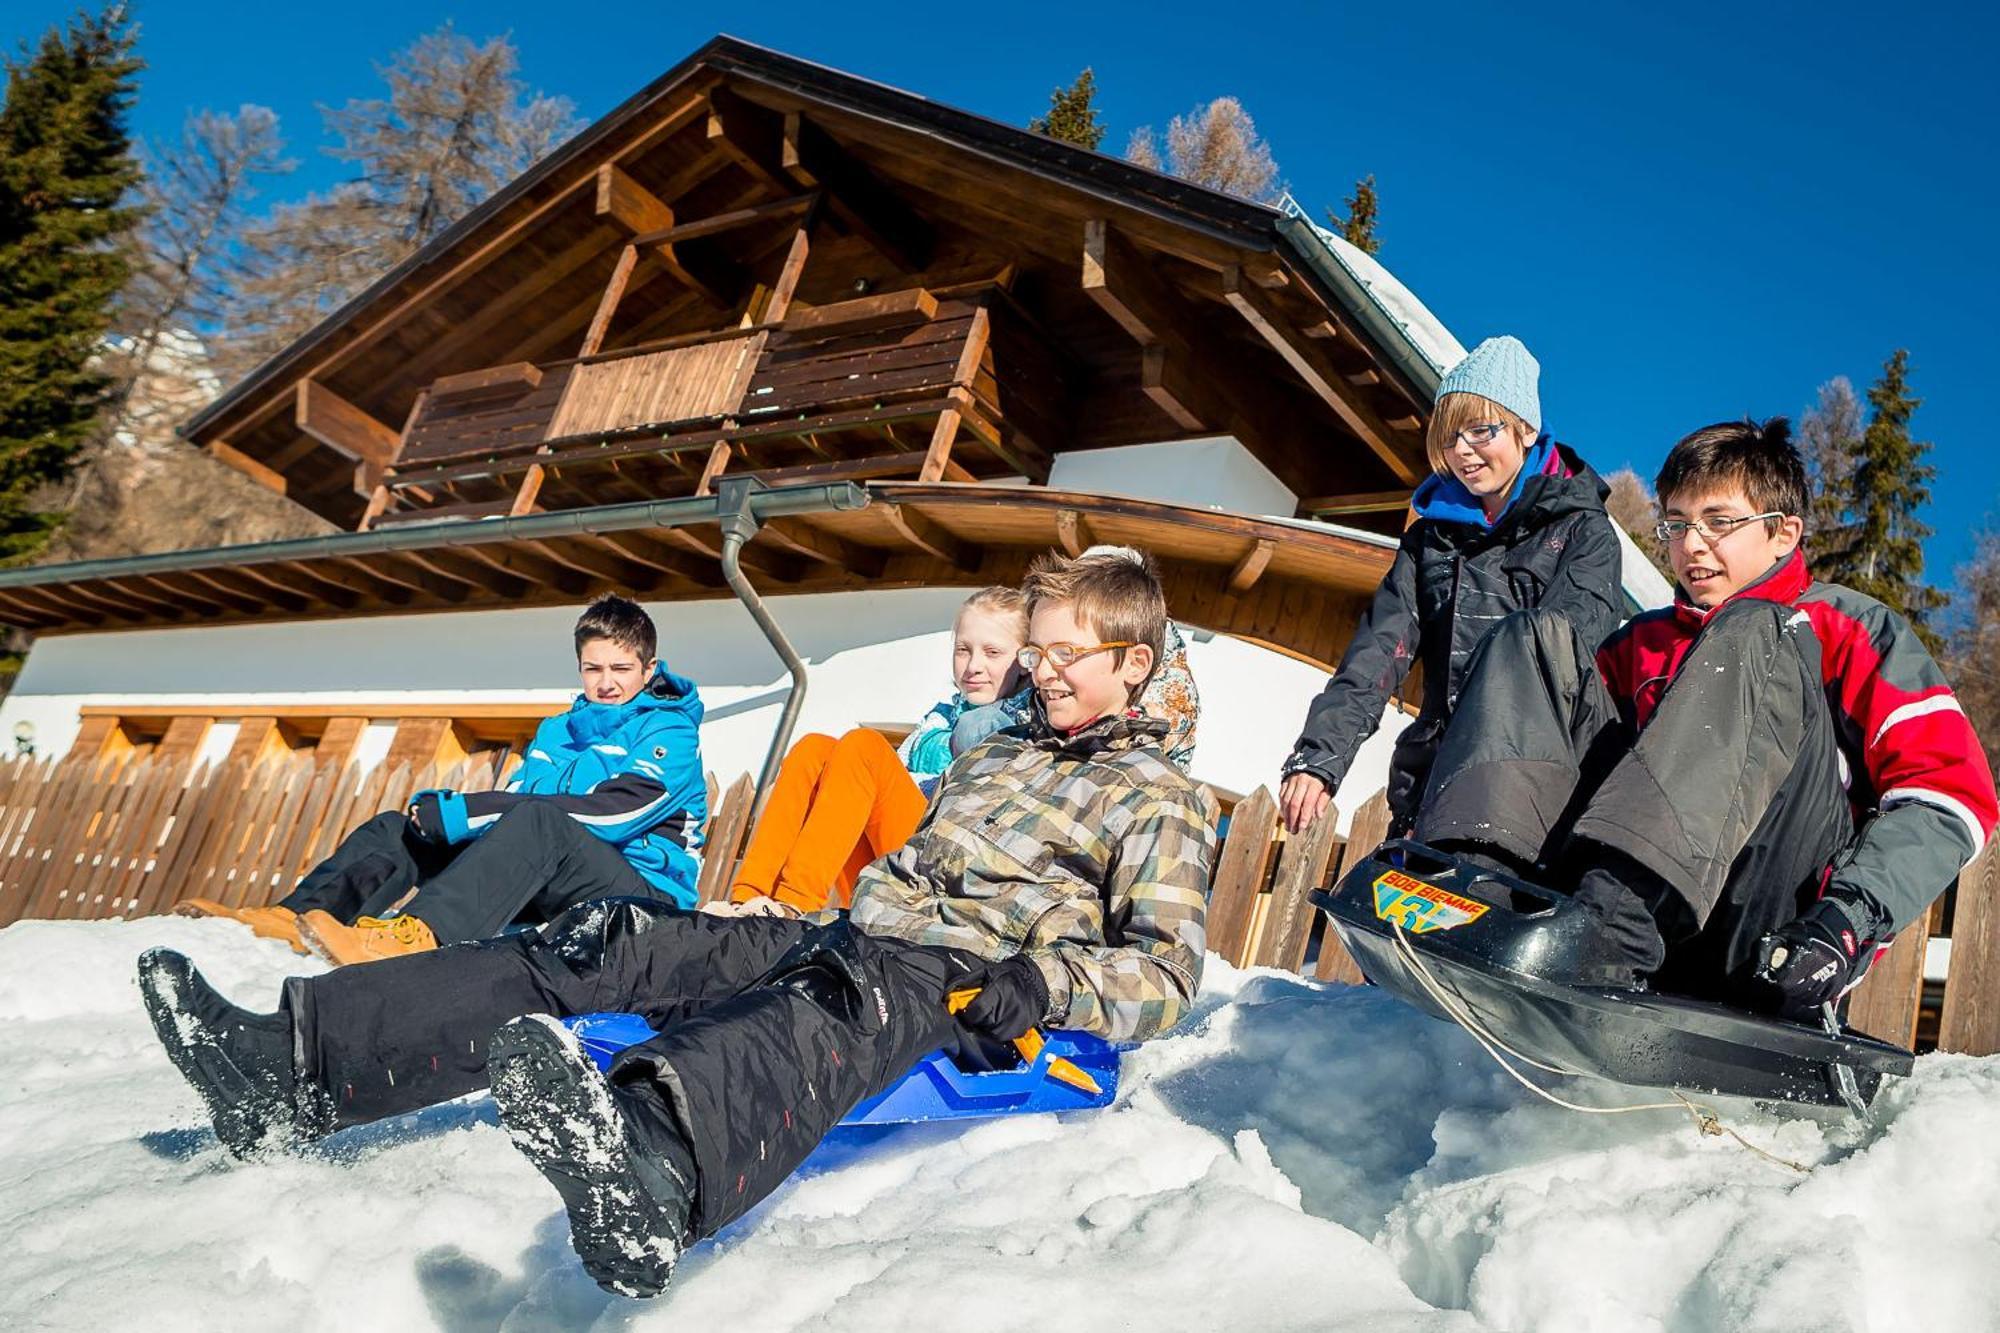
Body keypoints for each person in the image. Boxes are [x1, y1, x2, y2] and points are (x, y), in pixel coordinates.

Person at [136, 548, 1216, 1298]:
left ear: (1130, 660)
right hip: (855, 930)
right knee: (611, 936)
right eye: (1037, 649)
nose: (1039, 668)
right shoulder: (997, 751)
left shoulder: (1155, 798)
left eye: (1064, 652)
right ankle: (291, 1064)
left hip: (973, 980)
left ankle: (652, 1170)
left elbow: (1166, 975)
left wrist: (1050, 985)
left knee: (842, 996)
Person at [1408, 417, 1997, 1012]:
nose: (1691, 545)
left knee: (1755, 626)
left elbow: (1949, 797)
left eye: (1719, 522)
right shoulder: (1638, 645)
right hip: (1590, 910)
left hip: (1763, 931)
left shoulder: (1846, 629)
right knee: (1535, 638)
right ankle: (1473, 892)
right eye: (1677, 524)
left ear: (1784, 534)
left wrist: (1844, 922)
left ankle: (1611, 929)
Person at [180, 595, 708, 966]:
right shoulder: (557, 731)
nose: (607, 682)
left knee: (537, 822)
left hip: (643, 898)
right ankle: (296, 918)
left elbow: (615, 814)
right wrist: (442, 822)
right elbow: (523, 805)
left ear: (648, 668)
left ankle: (416, 938)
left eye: (620, 668)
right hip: (555, 876)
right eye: (593, 668)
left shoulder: (671, 731)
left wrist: (465, 812)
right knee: (399, 830)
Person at [1278, 335, 1624, 836]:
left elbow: (1561, 666)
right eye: (1450, 437)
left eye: (1481, 431)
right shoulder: (1430, 542)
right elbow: (1377, 652)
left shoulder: (1582, 533)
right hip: (1432, 781)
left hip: (1534, 796)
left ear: (1526, 429)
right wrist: (1319, 757)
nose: (1463, 451)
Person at [720, 586, 1031, 918]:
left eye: (993, 653)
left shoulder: (1018, 721)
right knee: (814, 749)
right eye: (963, 650)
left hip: (940, 876)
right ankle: (748, 897)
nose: (973, 665)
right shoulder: (943, 714)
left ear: (1026, 661)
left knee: (864, 746)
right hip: (888, 868)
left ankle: (795, 904)